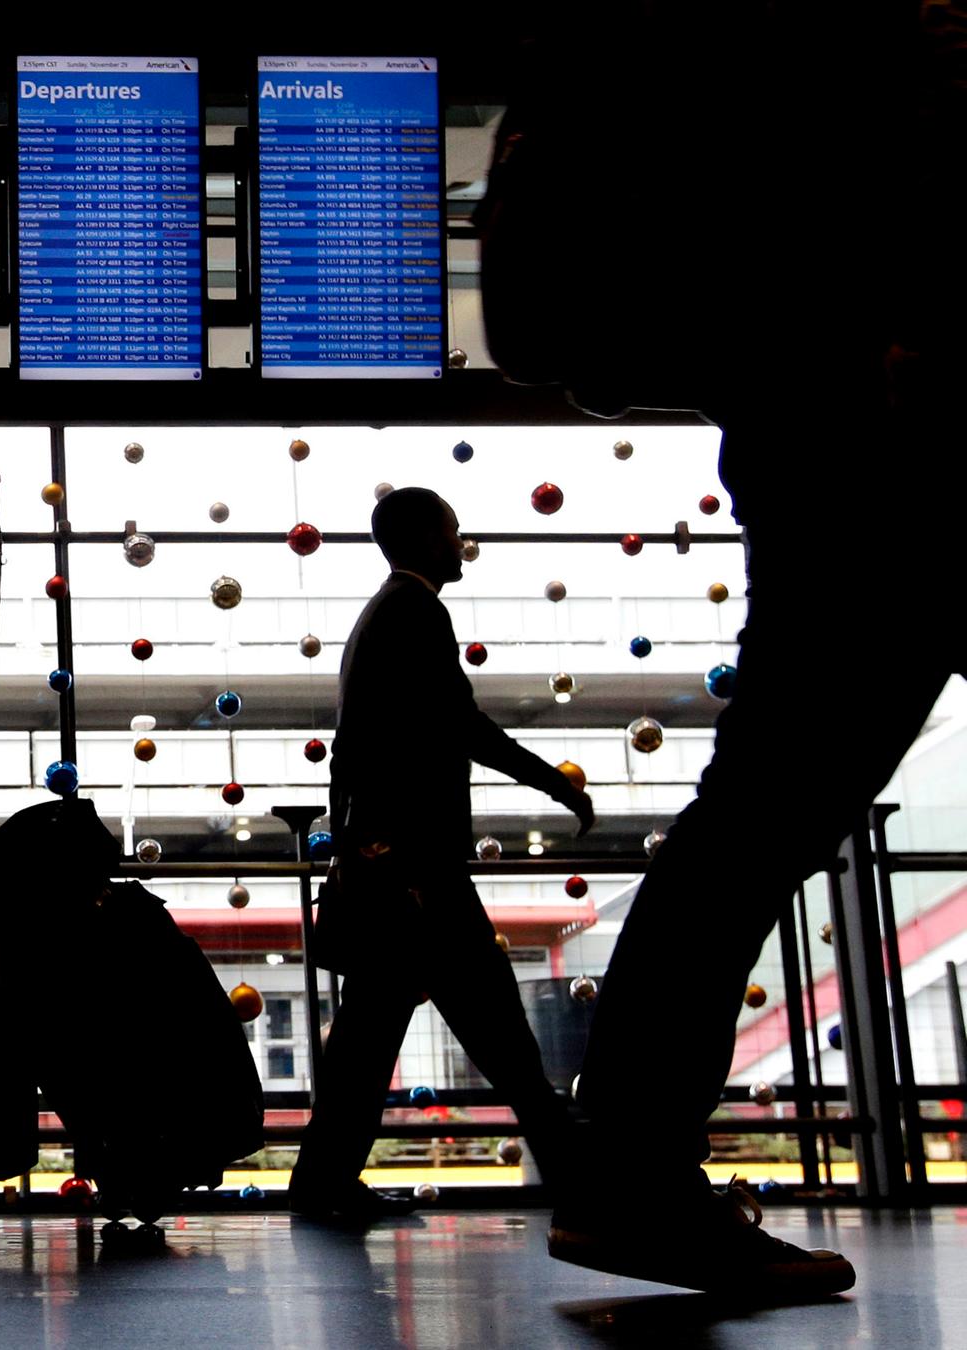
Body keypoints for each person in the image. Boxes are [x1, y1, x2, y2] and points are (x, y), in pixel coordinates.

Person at [479, 6, 965, 1298]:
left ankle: (628, 1169)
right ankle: (630, 1168)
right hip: (886, 439)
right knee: (759, 820)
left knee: (756, 820)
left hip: (827, 445)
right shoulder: (861, 51)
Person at [288, 486, 594, 1224]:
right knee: (497, 1032)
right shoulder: (416, 612)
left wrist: (354, 842)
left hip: (389, 865)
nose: (460, 544)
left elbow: (353, 749)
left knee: (370, 1039)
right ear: (426, 537)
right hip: (419, 870)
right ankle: (582, 1182)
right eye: (452, 531)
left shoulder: (380, 616)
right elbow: (464, 725)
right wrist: (554, 782)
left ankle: (323, 1182)